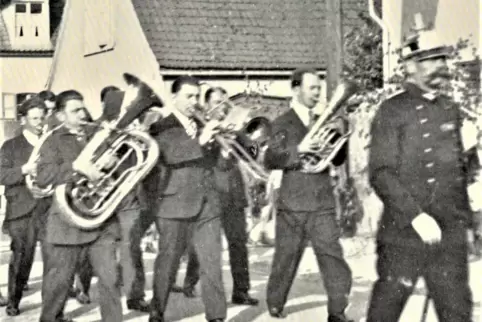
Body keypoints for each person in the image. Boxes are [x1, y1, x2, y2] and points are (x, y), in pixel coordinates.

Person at [366, 26, 474, 322]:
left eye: (442, 58)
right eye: (431, 59)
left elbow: (459, 175)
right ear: (411, 67)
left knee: (457, 311)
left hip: (449, 234)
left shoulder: (450, 109)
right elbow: (381, 173)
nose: (441, 65)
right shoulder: (392, 111)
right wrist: (416, 215)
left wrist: (469, 224)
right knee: (385, 311)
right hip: (403, 233)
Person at [263, 68, 353, 322]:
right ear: (296, 89)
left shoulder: (325, 120)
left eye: (319, 88)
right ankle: (275, 303)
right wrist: (299, 149)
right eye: (312, 88)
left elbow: (338, 160)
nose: (317, 93)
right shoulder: (281, 122)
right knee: (286, 257)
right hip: (293, 201)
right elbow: (271, 159)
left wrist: (340, 135)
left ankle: (337, 312)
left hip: (322, 200)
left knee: (333, 257)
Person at [147, 76, 229, 322]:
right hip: (174, 204)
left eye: (196, 96)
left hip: (207, 203)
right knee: (168, 263)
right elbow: (172, 154)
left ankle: (216, 316)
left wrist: (225, 150)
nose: (195, 102)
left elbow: (219, 165)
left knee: (212, 263)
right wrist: (203, 139)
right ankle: (157, 311)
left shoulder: (202, 124)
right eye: (189, 96)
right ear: (175, 98)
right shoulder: (162, 127)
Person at [37, 90, 122, 322]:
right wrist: (77, 168)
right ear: (61, 116)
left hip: (100, 220)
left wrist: (113, 162)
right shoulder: (52, 140)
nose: (82, 114)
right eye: (75, 111)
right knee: (58, 285)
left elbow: (119, 165)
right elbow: (43, 176)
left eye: (83, 108)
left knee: (110, 279)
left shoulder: (97, 134)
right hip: (68, 222)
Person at [171, 86, 258, 306]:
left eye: (225, 101)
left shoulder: (234, 128)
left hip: (234, 194)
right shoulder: (201, 127)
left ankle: (241, 291)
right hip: (212, 192)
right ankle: (190, 282)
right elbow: (204, 159)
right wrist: (221, 145)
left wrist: (241, 135)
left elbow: (252, 154)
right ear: (208, 105)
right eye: (217, 102)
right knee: (204, 246)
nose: (222, 106)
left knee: (238, 243)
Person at [0, 97, 51, 316]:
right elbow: (1, 174)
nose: (40, 122)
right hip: (22, 210)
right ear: (23, 120)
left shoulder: (51, 142)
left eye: (42, 117)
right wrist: (23, 170)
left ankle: (52, 310)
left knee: (55, 259)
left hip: (48, 207)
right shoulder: (11, 146)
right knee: (22, 258)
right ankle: (14, 301)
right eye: (34, 119)